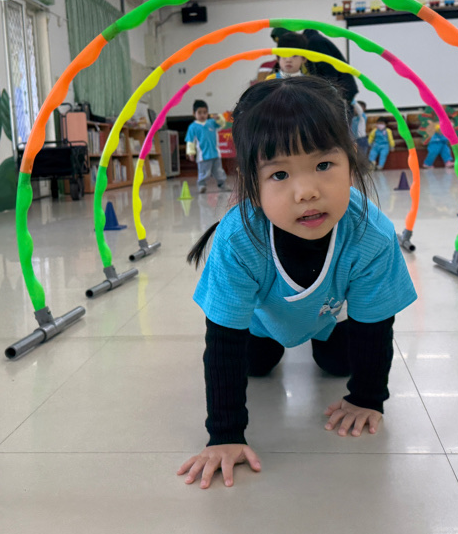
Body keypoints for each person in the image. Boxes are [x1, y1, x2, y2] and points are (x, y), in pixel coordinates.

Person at [178, 76, 417, 489]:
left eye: (324, 166)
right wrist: (225, 434)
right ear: (251, 183)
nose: (306, 191)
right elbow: (222, 340)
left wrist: (367, 398)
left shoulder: (372, 234)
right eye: (279, 174)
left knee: (339, 364)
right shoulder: (238, 240)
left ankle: (320, 340)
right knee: (255, 366)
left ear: (351, 159)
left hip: (328, 318)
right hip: (261, 324)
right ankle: (279, 341)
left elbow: (376, 323)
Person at [185, 99, 227, 193]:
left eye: (205, 112)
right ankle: (202, 185)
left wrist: (219, 118)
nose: (202, 115)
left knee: (219, 171)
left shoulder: (212, 123)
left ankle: (222, 184)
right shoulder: (193, 127)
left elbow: (222, 124)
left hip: (215, 154)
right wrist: (191, 152)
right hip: (203, 156)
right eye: (199, 113)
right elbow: (190, 141)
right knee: (204, 172)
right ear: (194, 113)